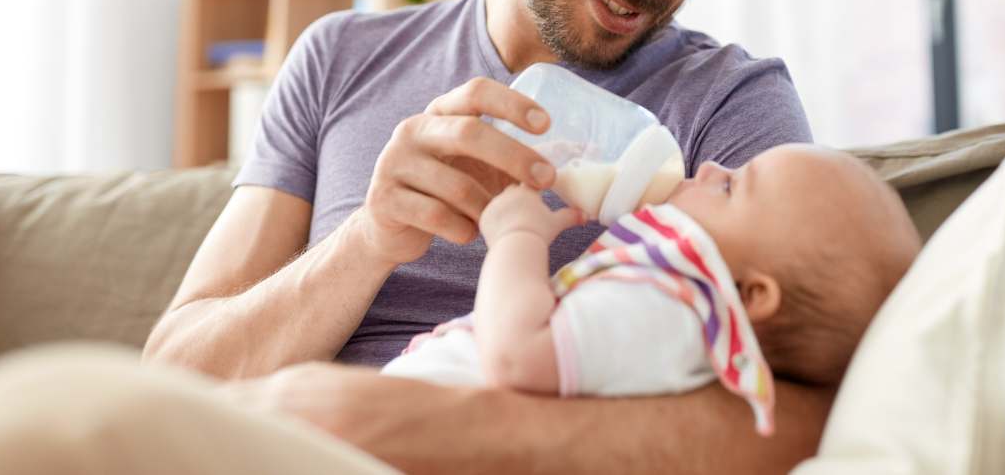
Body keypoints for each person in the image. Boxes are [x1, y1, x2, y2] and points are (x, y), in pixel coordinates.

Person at [0, 0, 833, 474]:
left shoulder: (731, 109)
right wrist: (369, 238)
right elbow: (175, 375)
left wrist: (437, 425)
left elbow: (816, 415)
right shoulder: (340, 59)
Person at [382, 144, 922, 441]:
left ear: (752, 294)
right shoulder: (672, 302)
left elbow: (517, 358)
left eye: (731, 186)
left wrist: (516, 238)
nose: (708, 166)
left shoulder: (674, 308)